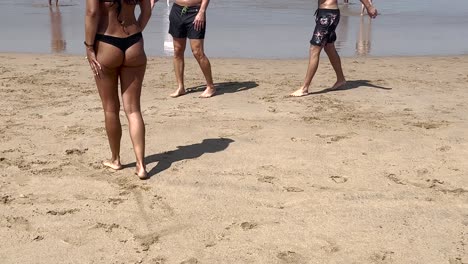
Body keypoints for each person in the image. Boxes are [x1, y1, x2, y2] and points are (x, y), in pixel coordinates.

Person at [85, 0, 152, 179]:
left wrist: (89, 47)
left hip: (107, 42)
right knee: (133, 109)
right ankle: (141, 165)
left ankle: (116, 159)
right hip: (134, 41)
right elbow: (147, 11)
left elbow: (92, 13)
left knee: (110, 108)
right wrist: (137, 32)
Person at [290, 0, 378, 97]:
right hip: (324, 13)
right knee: (329, 47)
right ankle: (340, 79)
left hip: (328, 15)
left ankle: (304, 88)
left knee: (314, 48)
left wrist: (369, 6)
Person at [166, 0, 215, 98]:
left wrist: (202, 11)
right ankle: (180, 87)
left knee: (197, 51)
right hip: (177, 10)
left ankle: (210, 86)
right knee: (177, 50)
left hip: (195, 11)